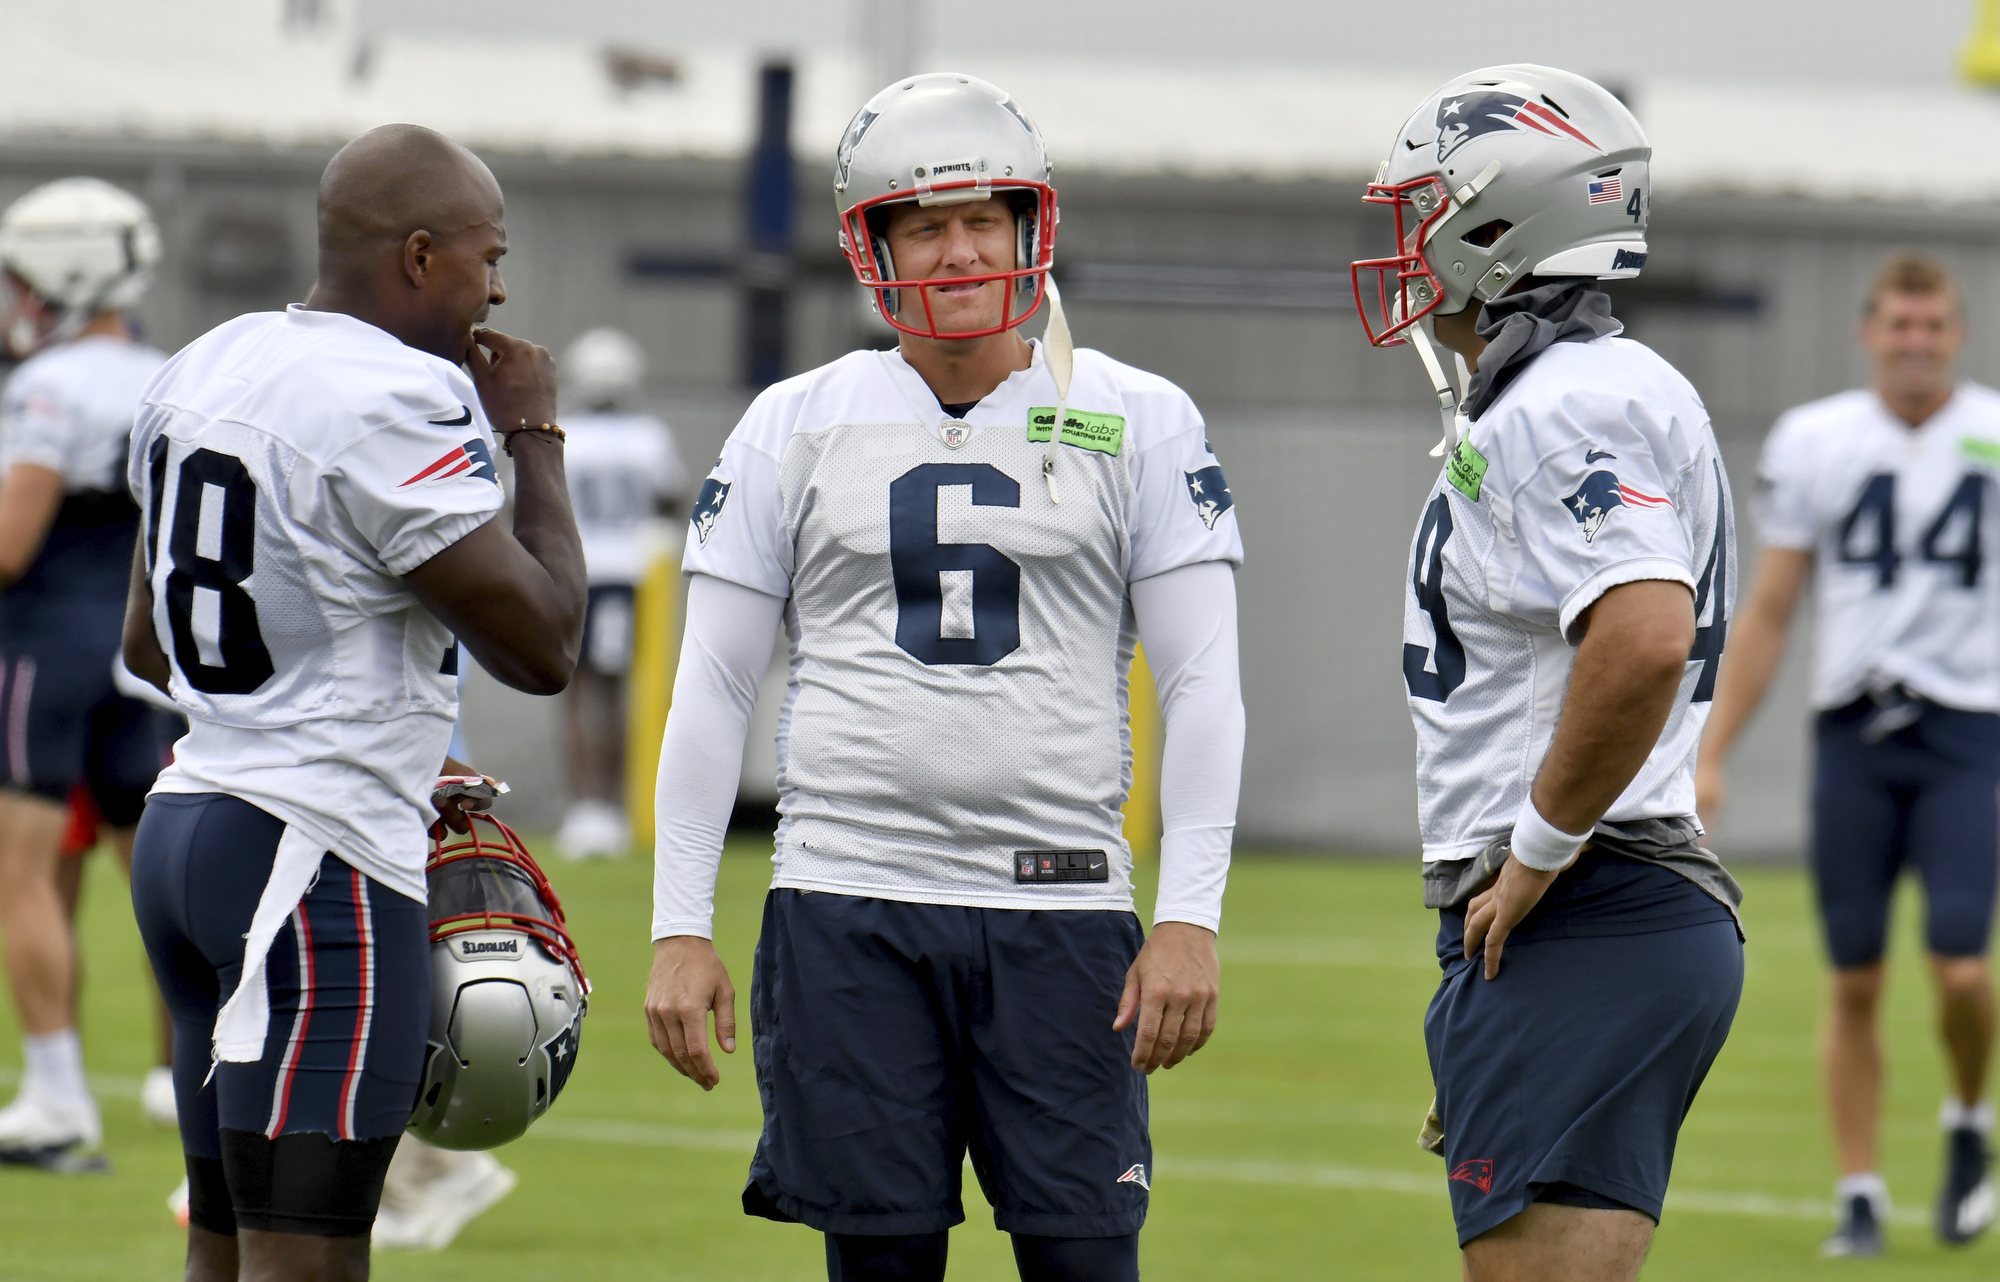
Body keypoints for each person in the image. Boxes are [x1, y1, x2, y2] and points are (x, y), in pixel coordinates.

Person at [644, 72, 1245, 1282]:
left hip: (1062, 901)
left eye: (985, 218)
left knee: (1085, 1264)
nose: (960, 249)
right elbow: (708, 683)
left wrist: (1187, 913)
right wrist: (676, 924)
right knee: (879, 1266)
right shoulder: (793, 422)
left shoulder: (1136, 415)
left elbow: (1204, 684)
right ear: (871, 245)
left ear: (1033, 228)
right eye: (925, 223)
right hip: (848, 897)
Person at [123, 123, 585, 1282]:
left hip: (191, 828)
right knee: (307, 1262)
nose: (499, 286)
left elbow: (150, 637)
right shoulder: (390, 394)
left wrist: (333, 713)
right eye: (488, 256)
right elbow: (542, 643)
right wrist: (532, 432)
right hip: (310, 861)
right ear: (421, 257)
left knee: (224, 1252)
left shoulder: (208, 359)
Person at [1351, 65, 1744, 1281]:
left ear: (1496, 217)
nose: (1409, 244)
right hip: (1603, 908)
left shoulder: (1568, 403)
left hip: (1585, 905)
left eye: (1425, 210)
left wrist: (1531, 854)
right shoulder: (1574, 387)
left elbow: (1640, 635)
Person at [1696, 253, 1999, 1254]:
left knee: (1959, 968)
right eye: (1897, 324)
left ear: (1954, 333)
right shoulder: (1815, 438)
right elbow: (1773, 608)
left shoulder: (1989, 429)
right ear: (1868, 332)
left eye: (1931, 325)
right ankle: (1858, 1191)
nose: (1914, 341)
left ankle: (1964, 1118)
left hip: (1966, 732)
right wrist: (1710, 749)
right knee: (1854, 977)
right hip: (1853, 734)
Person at [0, 177, 176, 1167]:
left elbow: (12, 542)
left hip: (45, 642)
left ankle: (58, 1095)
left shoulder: (48, 384)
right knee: (160, 879)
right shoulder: (168, 372)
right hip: (141, 649)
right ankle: (185, 1073)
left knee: (18, 874)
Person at [552, 325, 686, 860]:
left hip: (572, 575)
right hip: (629, 578)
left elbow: (526, 504)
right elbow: (672, 498)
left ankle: (587, 810)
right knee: (621, 692)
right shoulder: (649, 435)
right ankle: (615, 806)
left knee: (575, 693)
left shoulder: (561, 432)